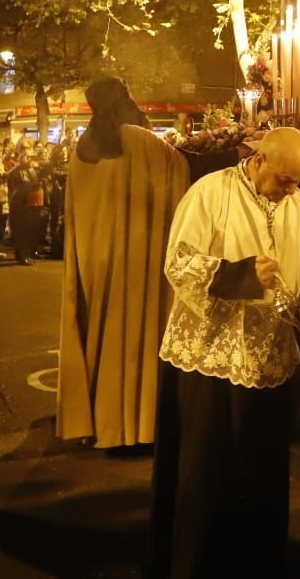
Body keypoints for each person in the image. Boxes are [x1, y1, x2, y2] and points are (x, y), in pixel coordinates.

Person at [147, 126, 300, 579]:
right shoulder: (210, 192)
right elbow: (178, 262)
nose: (291, 190)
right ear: (258, 161)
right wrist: (239, 274)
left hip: (269, 357)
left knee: (260, 476)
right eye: (285, 179)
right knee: (206, 475)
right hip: (209, 359)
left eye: (299, 181)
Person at [57, 77, 246, 449]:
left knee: (98, 332)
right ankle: (133, 424)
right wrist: (237, 154)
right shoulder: (137, 141)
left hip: (94, 262)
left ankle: (100, 421)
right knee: (133, 334)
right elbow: (185, 170)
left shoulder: (83, 149)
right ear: (120, 102)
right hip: (134, 262)